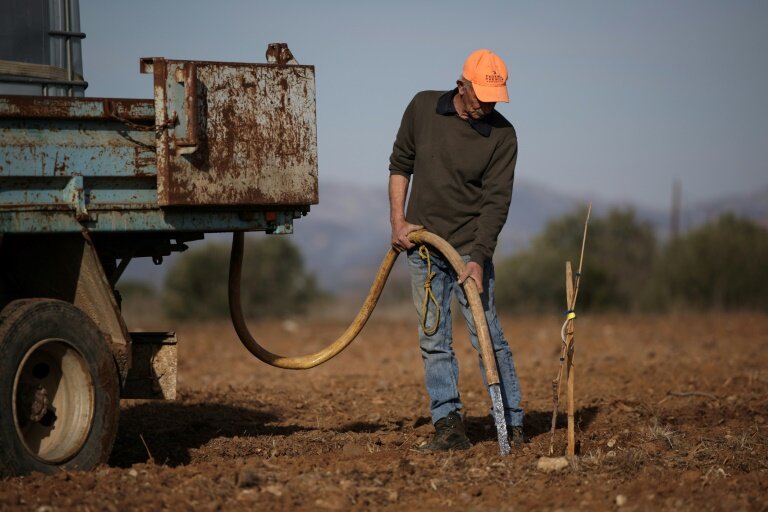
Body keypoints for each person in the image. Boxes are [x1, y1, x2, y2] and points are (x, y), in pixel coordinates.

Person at [388, 49, 523, 452]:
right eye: (482, 96)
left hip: (468, 251)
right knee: (433, 339)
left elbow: (496, 203)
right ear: (461, 85)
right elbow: (400, 164)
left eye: (495, 98)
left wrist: (479, 258)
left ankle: (512, 423)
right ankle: (449, 427)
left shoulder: (503, 136)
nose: (488, 105)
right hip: (425, 248)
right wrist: (398, 221)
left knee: (489, 336)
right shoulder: (423, 107)